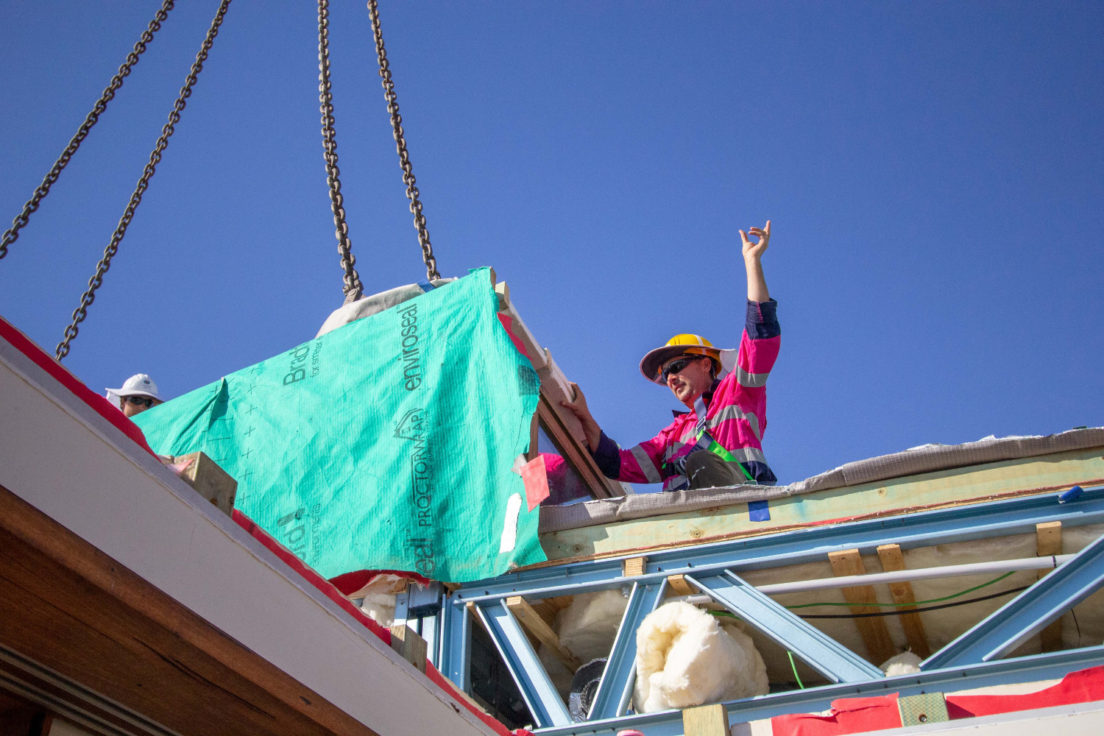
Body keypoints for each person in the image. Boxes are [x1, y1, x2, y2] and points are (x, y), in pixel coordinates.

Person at [562, 220, 780, 491]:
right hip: (690, 526)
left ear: (705, 364)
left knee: (702, 461)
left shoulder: (738, 393)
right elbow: (618, 463)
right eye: (666, 376)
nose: (671, 378)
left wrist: (752, 262)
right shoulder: (672, 436)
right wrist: (584, 416)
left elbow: (760, 338)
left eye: (676, 366)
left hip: (742, 507)